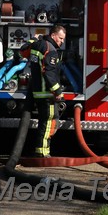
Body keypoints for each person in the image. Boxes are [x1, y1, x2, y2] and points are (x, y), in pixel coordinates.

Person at [28, 25, 66, 158]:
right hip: (47, 93)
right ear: (53, 35)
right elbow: (49, 73)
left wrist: (32, 40)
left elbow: (23, 50)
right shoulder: (51, 50)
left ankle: (41, 151)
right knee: (49, 122)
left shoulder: (38, 45)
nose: (61, 42)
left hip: (38, 92)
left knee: (44, 121)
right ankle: (43, 152)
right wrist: (58, 91)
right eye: (60, 38)